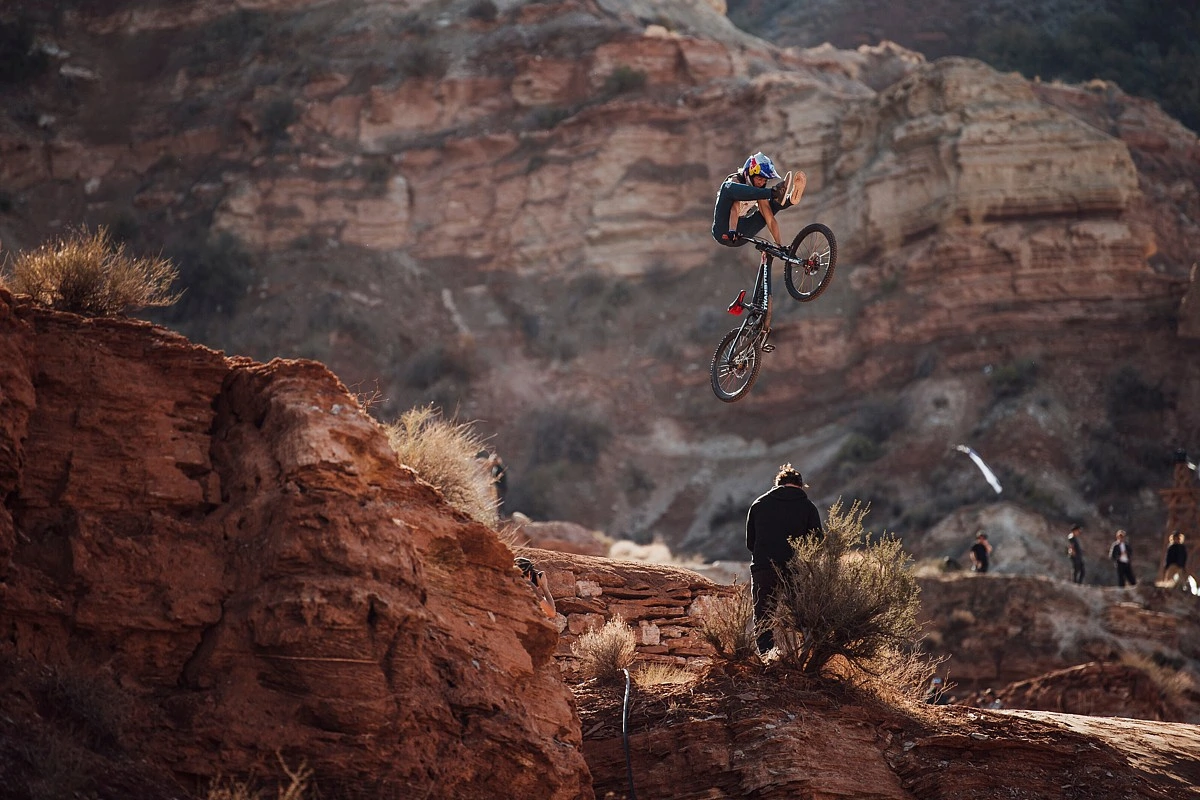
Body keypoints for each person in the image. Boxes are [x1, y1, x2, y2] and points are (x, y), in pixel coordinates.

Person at [745, 463, 824, 655]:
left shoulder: (759, 504)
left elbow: (750, 542)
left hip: (763, 566)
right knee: (803, 614)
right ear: (800, 485)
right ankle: (805, 655)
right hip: (795, 568)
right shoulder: (808, 507)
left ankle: (767, 657)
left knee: (763, 615)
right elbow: (817, 542)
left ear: (778, 483)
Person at [711, 152, 806, 248]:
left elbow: (770, 219)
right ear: (750, 174)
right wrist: (732, 230)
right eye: (759, 179)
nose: (761, 183)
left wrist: (780, 245)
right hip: (723, 230)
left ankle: (789, 199)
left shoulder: (759, 192)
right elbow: (734, 209)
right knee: (727, 188)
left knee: (767, 209)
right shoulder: (736, 181)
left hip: (739, 235)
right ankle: (775, 192)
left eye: (765, 180)